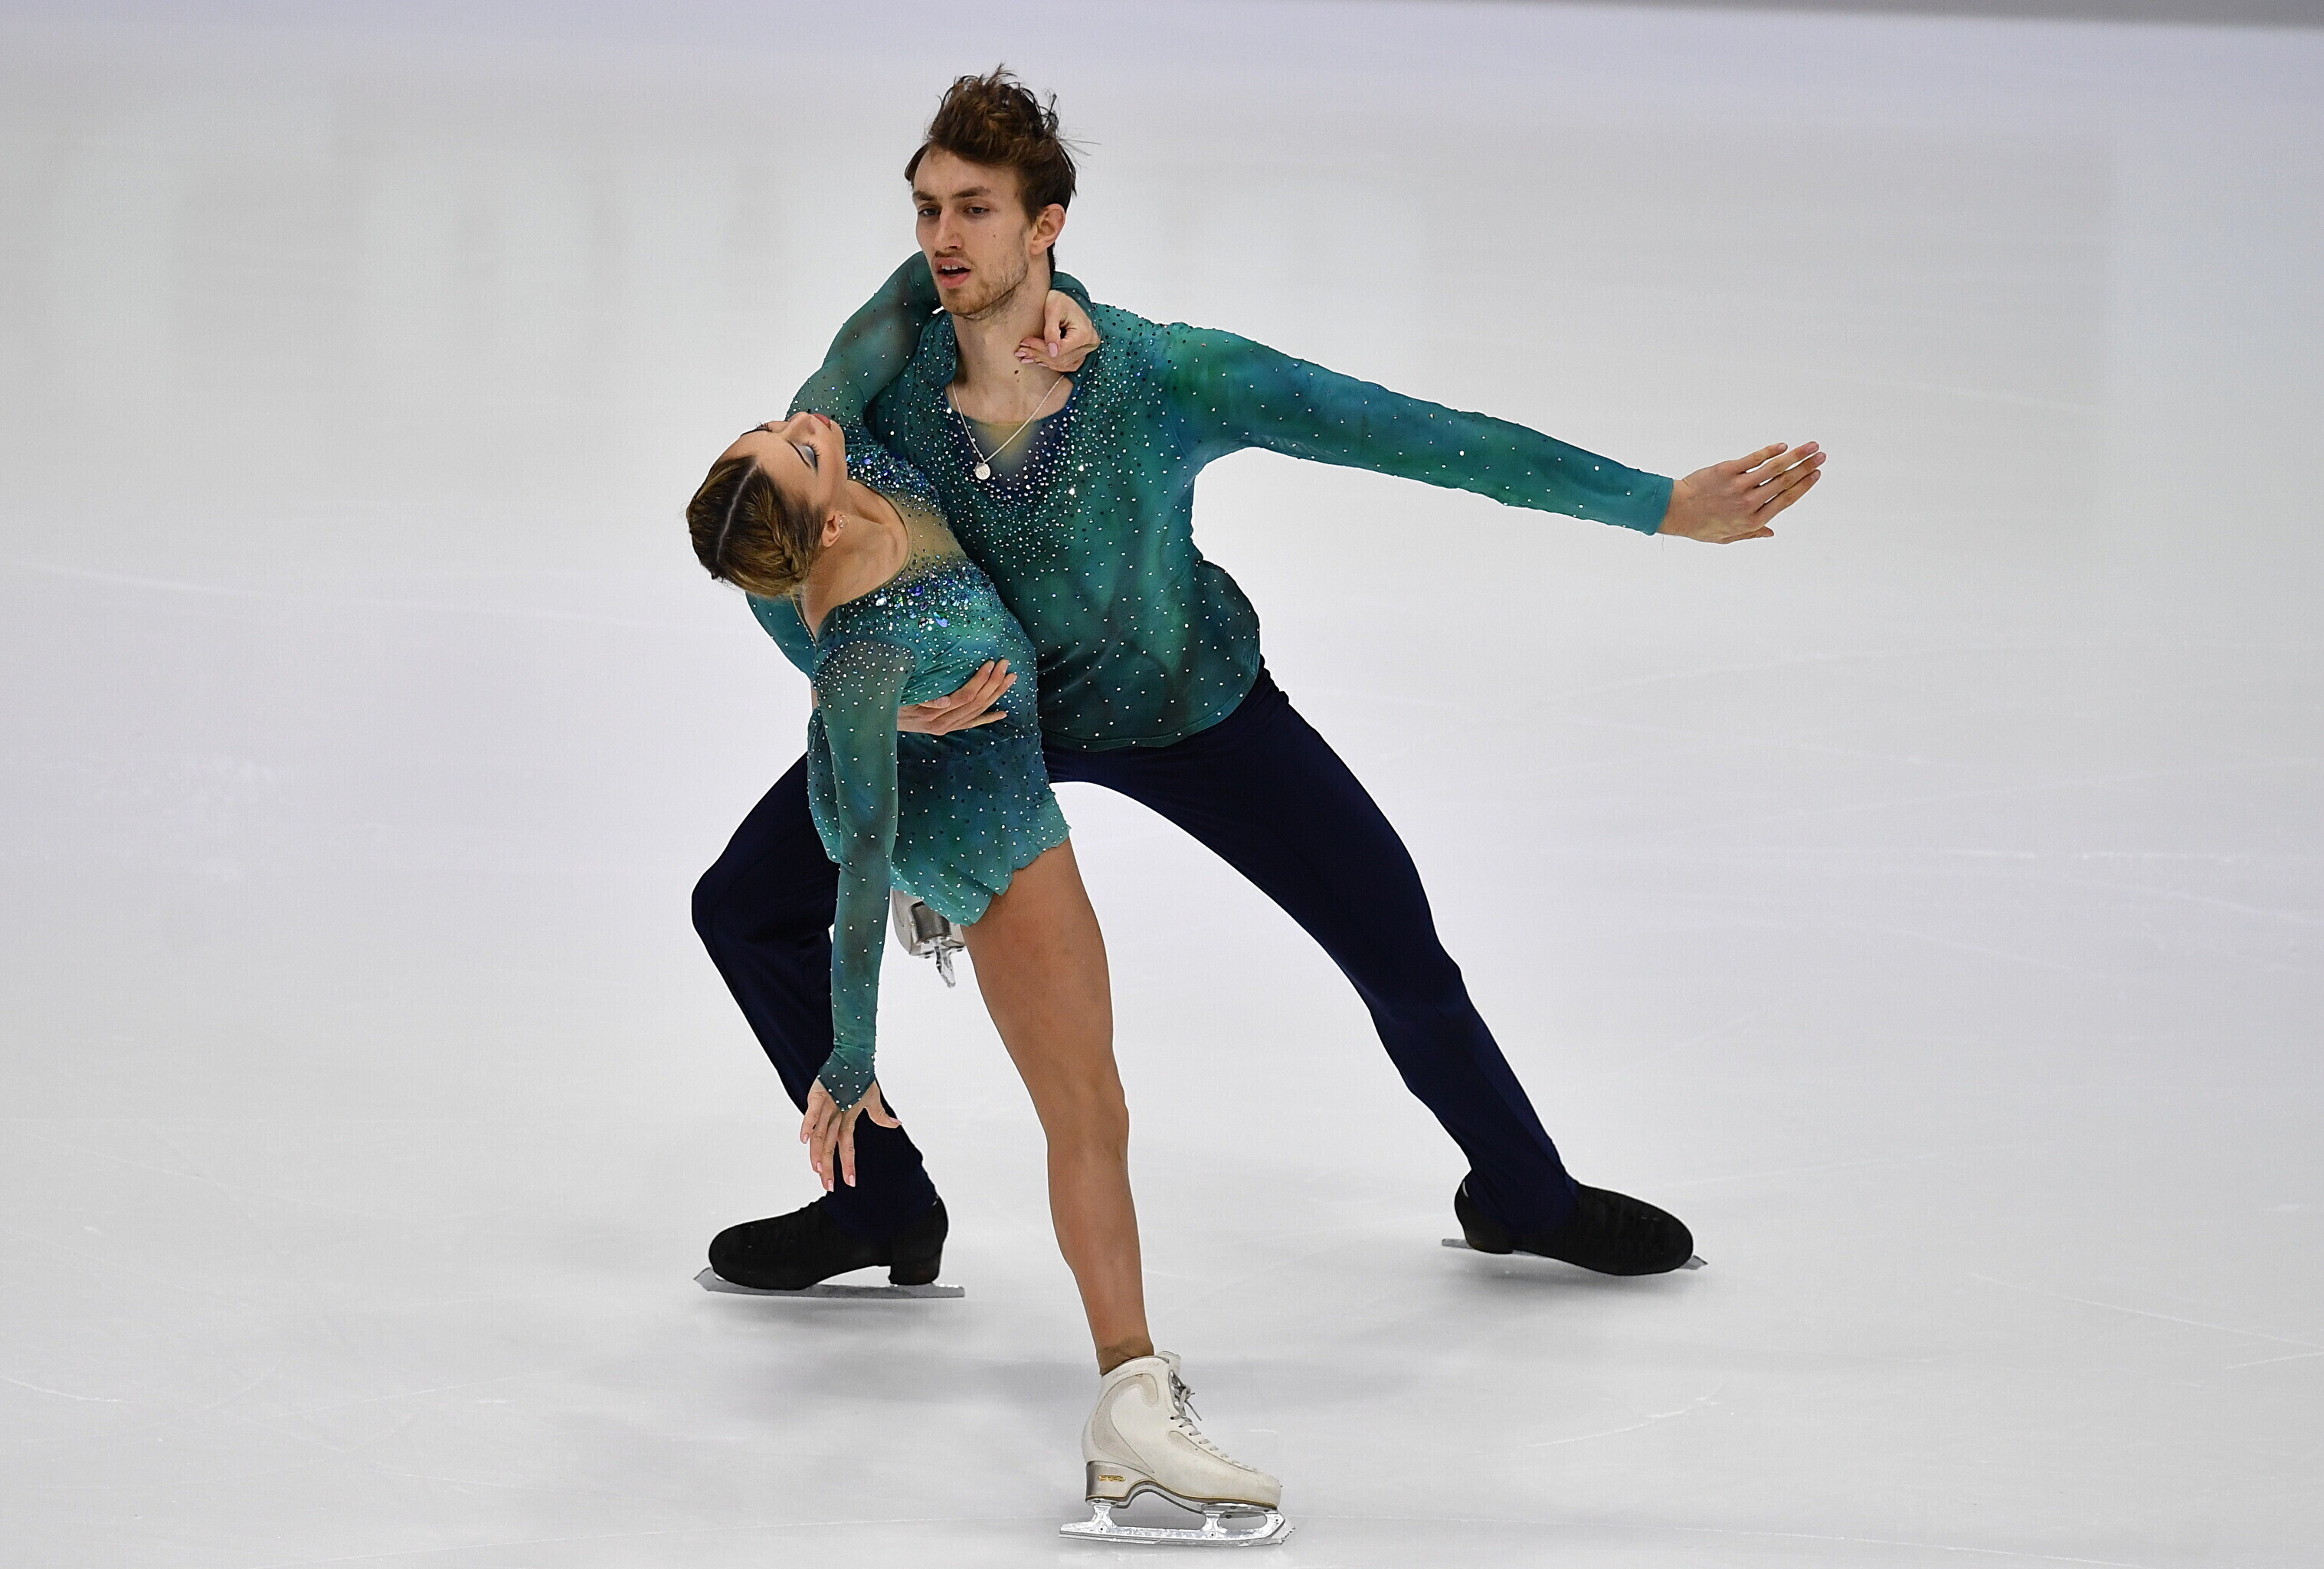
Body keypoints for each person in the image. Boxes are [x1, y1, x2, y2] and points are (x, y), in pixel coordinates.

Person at [693, 69, 1824, 1296]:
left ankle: (1523, 1194)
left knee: (1398, 952)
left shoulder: (1161, 378)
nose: (942, 238)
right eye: (926, 210)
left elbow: (1407, 432)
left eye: (975, 209)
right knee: (740, 907)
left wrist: (1655, 505)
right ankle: (879, 1206)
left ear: (1047, 223)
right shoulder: (883, 394)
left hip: (1183, 707)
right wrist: (867, 702)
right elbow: (775, 561)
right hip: (978, 735)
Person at [686, 409, 1289, 1541]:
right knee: (1089, 1107)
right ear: (822, 533)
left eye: (770, 430)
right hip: (981, 823)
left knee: (1091, 1105)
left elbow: (899, 322)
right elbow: (860, 866)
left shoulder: (844, 460)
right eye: (796, 450)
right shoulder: (862, 654)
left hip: (948, 756)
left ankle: (1121, 1393)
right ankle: (1133, 1412)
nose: (804, 421)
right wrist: (851, 1052)